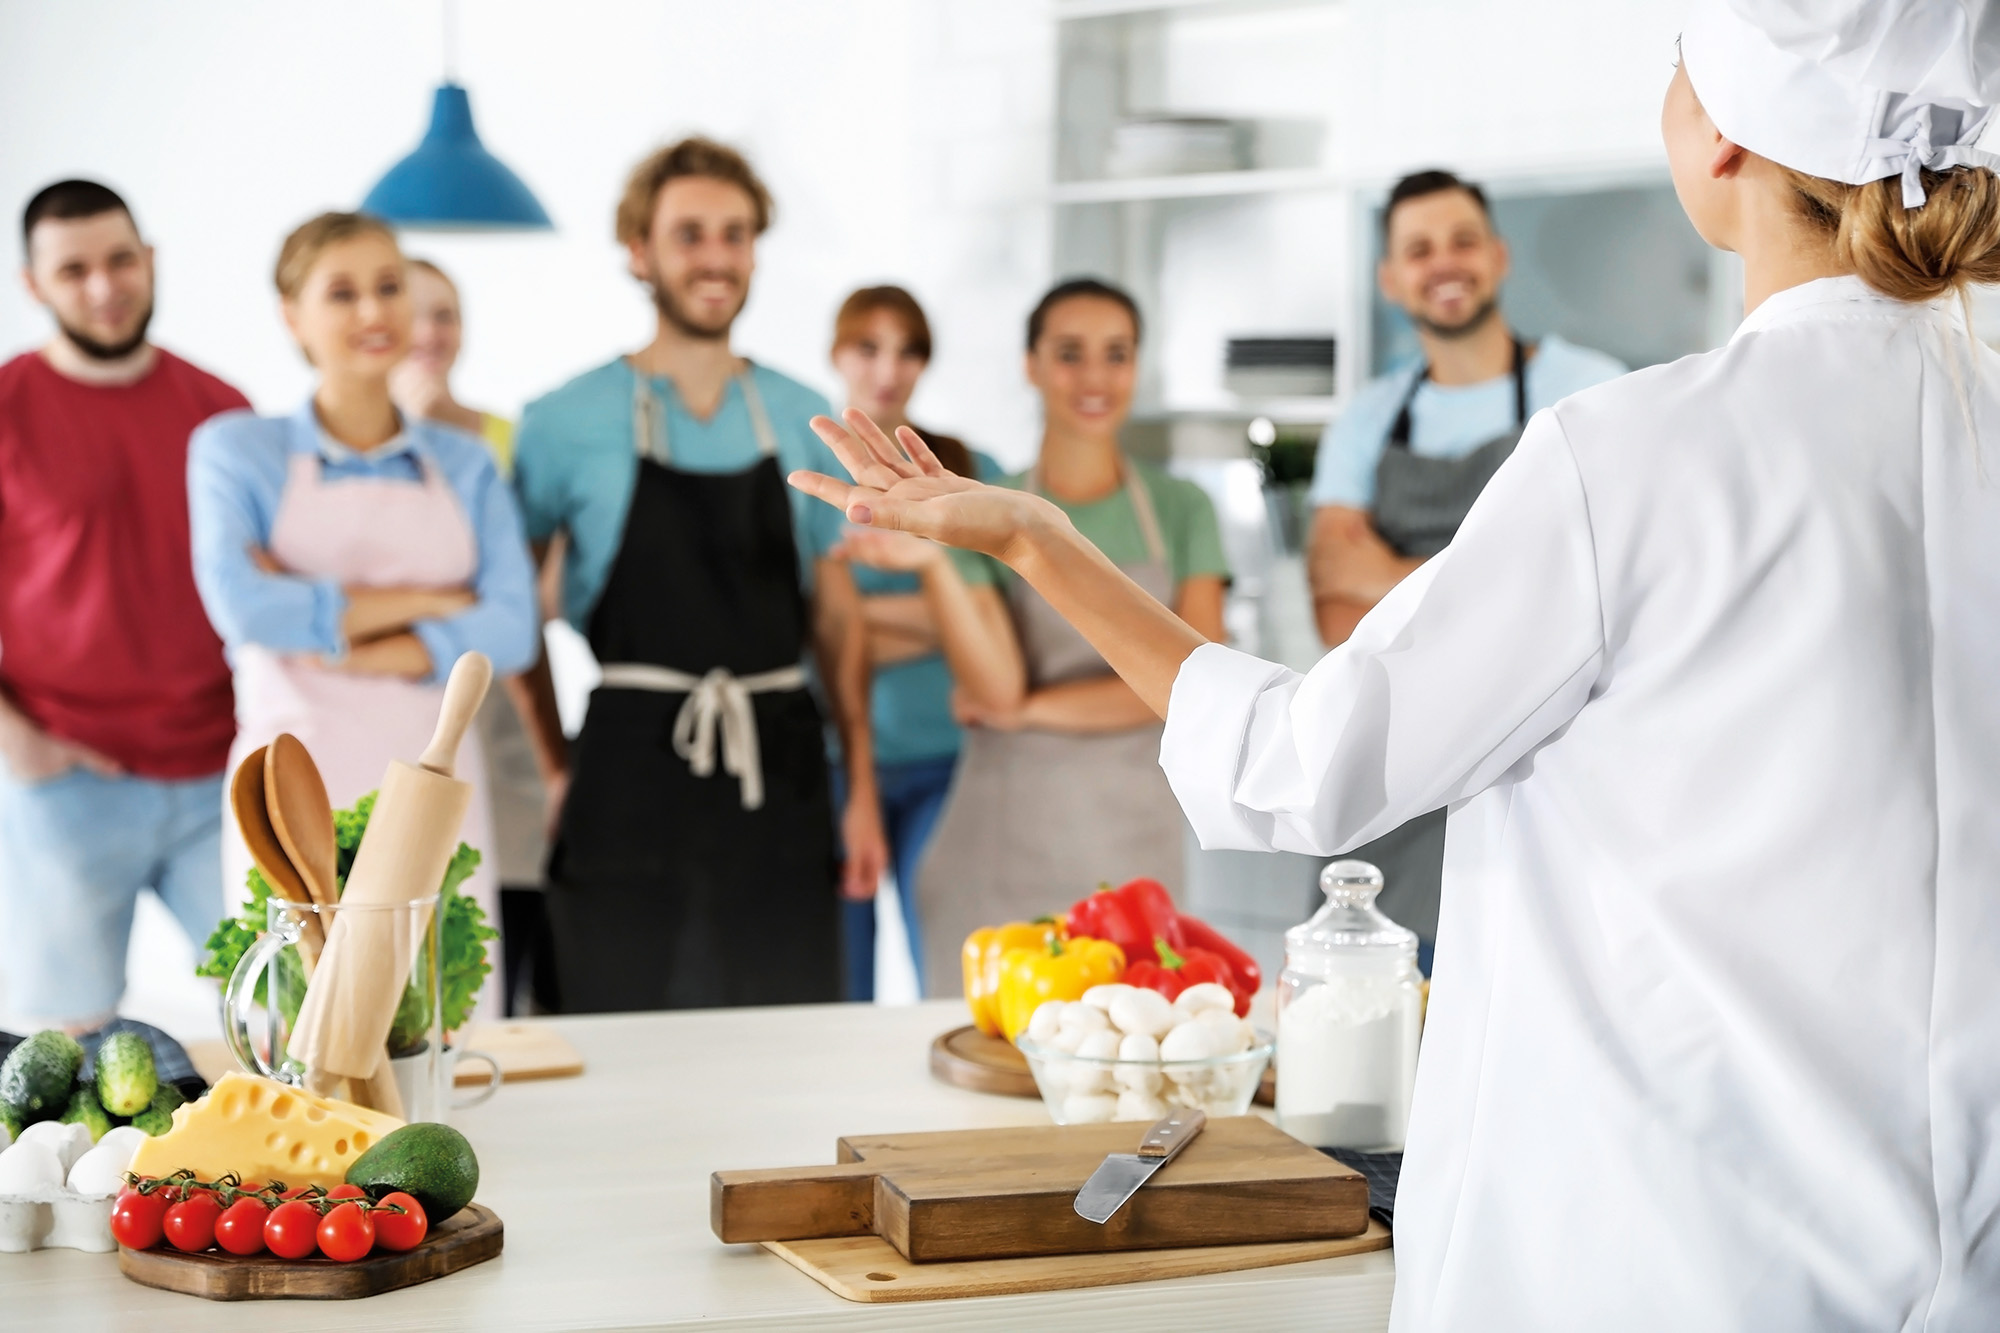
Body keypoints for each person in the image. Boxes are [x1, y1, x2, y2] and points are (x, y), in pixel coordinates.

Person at [787, 0, 2000, 1320]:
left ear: (1721, 140)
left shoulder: (1634, 455)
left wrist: (1036, 542)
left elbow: (1300, 766)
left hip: (1671, 1253)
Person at [512, 138, 884, 1011]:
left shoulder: (805, 415)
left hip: (779, 767)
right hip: (625, 764)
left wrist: (858, 786)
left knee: (782, 1030)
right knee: (607, 1025)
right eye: (689, 235)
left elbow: (835, 613)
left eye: (735, 233)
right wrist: (557, 767)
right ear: (638, 252)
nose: (716, 257)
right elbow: (514, 616)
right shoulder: (562, 420)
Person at [189, 213, 540, 1019]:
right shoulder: (237, 449)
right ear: (291, 314)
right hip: (286, 792)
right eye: (341, 293)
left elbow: (513, 629)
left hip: (436, 784)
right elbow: (243, 606)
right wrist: (433, 604)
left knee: (436, 1033)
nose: (374, 312)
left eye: (390, 288)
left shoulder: (463, 460)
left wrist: (341, 634)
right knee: (294, 1038)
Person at [848, 278, 1227, 997]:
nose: (1093, 377)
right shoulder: (982, 508)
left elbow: (1195, 689)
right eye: (1069, 353)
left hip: (1132, 850)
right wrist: (933, 559)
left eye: (1115, 354)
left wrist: (1029, 713)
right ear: (1030, 365)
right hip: (994, 853)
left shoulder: (1183, 511)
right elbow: (993, 686)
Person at [1304, 169, 1626, 960]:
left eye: (1462, 241)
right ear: (1390, 278)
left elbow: (1605, 578)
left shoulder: (1590, 389)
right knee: (1380, 1000)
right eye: (1418, 249)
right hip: (1399, 765)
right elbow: (1332, 595)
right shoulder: (1367, 420)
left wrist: (1393, 577)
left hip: (1549, 761)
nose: (1443, 263)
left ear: (1499, 256)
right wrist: (1508, 587)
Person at [0, 181, 248, 1030]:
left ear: (150, 260)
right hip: (66, 777)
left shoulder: (221, 411)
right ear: (33, 284)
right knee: (59, 1047)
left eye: (119, 260)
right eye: (74, 270)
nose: (104, 287)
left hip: (217, 771)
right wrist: (16, 736)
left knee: (287, 1018)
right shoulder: (6, 408)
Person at [392, 256, 567, 1013]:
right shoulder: (338, 449)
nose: (431, 333)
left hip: (503, 720)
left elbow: (537, 602)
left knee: (504, 917)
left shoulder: (507, 436)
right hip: (389, 720)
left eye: (447, 314)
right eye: (415, 313)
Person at [824, 285, 999, 1000]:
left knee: (950, 976)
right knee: (840, 981)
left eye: (909, 349)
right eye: (869, 346)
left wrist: (858, 623)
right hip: (835, 763)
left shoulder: (962, 466)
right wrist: (934, 618)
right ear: (837, 354)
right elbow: (811, 631)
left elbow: (996, 627)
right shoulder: (807, 476)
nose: (889, 367)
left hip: (949, 757)